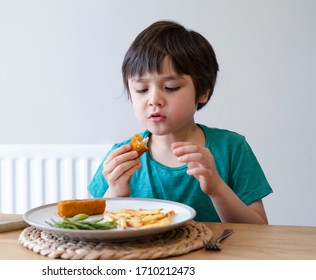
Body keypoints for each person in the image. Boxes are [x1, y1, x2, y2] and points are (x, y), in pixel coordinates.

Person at [88, 20, 272, 224]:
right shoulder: (120, 159)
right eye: (141, 89)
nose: (154, 100)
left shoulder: (231, 149)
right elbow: (92, 230)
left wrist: (217, 188)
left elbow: (259, 230)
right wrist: (115, 192)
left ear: (202, 92)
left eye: (171, 87)